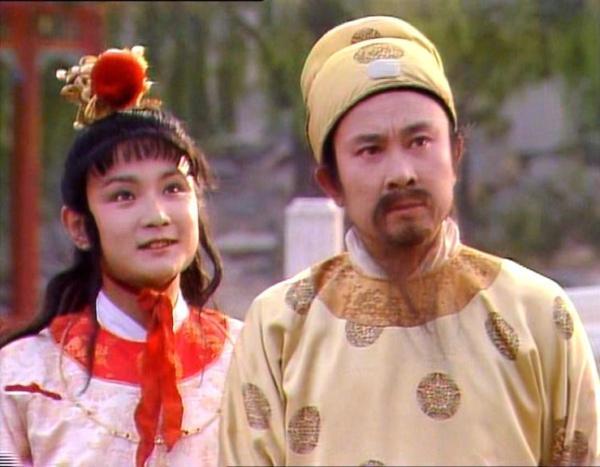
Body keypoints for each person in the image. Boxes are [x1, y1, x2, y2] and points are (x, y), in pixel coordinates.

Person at [219, 16, 600, 466]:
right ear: (331, 183)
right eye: (371, 150)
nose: (401, 173)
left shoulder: (539, 314)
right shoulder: (279, 328)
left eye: (419, 141)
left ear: (455, 155)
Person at [0, 46, 242, 466]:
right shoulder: (23, 378)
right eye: (123, 196)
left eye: (174, 188)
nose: (157, 216)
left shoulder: (253, 358)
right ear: (79, 226)